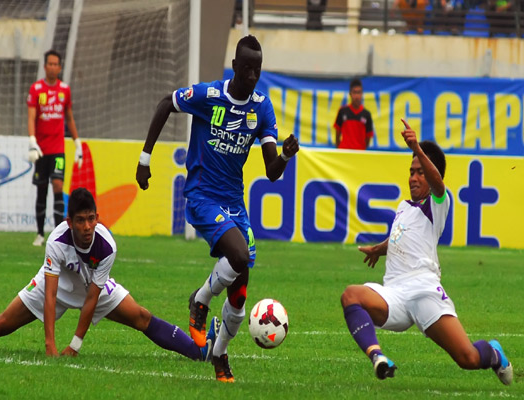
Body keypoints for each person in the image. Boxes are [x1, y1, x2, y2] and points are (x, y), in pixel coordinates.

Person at [136, 35, 299, 382]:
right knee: (239, 255)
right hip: (202, 196)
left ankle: (220, 354)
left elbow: (272, 172)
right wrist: (145, 158)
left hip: (234, 202)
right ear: (235, 66)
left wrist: (284, 154)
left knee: (240, 294)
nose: (253, 76)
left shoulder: (261, 108)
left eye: (258, 70)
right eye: (247, 69)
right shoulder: (209, 96)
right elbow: (166, 103)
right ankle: (201, 297)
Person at [0, 188, 219, 365]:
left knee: (141, 316)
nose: (87, 226)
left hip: (91, 285)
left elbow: (93, 296)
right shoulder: (57, 240)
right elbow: (51, 295)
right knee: (2, 323)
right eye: (80, 220)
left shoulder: (107, 246)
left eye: (91, 218)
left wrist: (75, 345)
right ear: (70, 221)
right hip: (57, 283)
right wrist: (51, 346)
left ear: (97, 217)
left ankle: (200, 352)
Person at [339, 119, 513, 385]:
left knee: (467, 359)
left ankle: (493, 352)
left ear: (432, 175)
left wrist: (417, 148)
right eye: (411, 171)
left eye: (420, 171)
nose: (413, 177)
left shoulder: (438, 202)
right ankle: (379, 358)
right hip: (394, 294)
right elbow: (402, 239)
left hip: (424, 291)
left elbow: (438, 184)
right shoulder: (403, 207)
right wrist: (379, 248)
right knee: (351, 295)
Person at [27, 49, 83, 247]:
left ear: (59, 67)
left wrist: (77, 143)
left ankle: (59, 234)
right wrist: (32, 140)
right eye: (49, 64)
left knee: (58, 185)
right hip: (41, 150)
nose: (52, 67)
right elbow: (32, 116)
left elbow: (69, 117)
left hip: (58, 148)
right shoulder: (36, 89)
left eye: (55, 64)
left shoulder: (64, 90)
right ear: (45, 67)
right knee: (41, 189)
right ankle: (40, 233)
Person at [334, 78, 374, 150]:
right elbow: (337, 134)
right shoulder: (342, 111)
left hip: (359, 153)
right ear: (350, 94)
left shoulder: (366, 114)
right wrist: (339, 148)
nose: (357, 96)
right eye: (354, 92)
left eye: (359, 92)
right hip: (344, 151)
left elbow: (368, 138)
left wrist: (361, 147)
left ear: (362, 94)